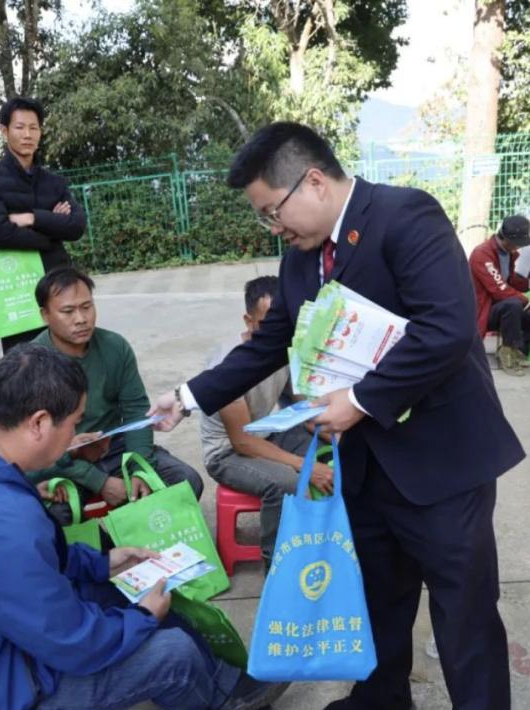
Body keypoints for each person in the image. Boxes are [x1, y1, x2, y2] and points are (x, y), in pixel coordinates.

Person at [149, 122, 525, 710]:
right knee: (380, 599)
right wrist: (187, 394)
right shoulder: (299, 263)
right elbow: (266, 345)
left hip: (440, 464)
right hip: (365, 466)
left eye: (273, 211)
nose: (274, 227)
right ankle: (380, 701)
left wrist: (361, 400)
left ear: (314, 181)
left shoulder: (405, 218)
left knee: (464, 614)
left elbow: (446, 328)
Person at [0, 344, 288, 710]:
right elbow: (72, 642)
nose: (79, 437)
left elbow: (27, 567)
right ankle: (220, 700)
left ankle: (221, 682)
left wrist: (101, 562)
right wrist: (140, 619)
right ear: (39, 422)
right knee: (168, 650)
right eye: (75, 423)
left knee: (120, 587)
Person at [30, 267, 204, 524]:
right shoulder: (32, 363)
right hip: (63, 458)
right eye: (68, 311)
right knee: (52, 514)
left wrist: (138, 468)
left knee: (186, 481)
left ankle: (141, 550)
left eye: (87, 307)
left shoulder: (115, 347)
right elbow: (36, 446)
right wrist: (99, 482)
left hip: (115, 446)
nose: (81, 318)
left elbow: (136, 411)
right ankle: (104, 555)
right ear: (45, 315)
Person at [199, 275, 333, 567]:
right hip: (227, 452)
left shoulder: (286, 350)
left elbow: (304, 407)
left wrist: (334, 432)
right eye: (267, 323)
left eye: (283, 323)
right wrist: (306, 466)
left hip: (263, 433)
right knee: (285, 481)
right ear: (249, 321)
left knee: (339, 450)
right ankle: (279, 562)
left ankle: (327, 536)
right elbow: (241, 442)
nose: (278, 332)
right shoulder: (227, 364)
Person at [0, 96, 86, 352]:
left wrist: (31, 218)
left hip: (57, 284)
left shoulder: (54, 182)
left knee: (67, 358)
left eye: (33, 128)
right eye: (20, 127)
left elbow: (76, 226)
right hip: (16, 287)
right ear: (4, 131)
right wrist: (50, 234)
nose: (28, 135)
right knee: (24, 366)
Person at [469, 215, 530, 375]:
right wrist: (525, 299)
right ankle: (506, 352)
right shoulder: (482, 254)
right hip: (482, 311)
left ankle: (520, 351)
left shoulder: (506, 253)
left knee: (520, 307)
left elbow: (510, 281)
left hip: (497, 307)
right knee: (513, 304)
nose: (519, 248)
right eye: (519, 244)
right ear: (508, 239)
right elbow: (499, 289)